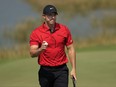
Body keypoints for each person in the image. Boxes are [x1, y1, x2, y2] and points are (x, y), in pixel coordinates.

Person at [29, 4, 77, 87]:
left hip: (61, 70)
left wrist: (73, 69)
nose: (52, 17)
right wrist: (41, 49)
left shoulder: (64, 29)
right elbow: (32, 53)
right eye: (49, 15)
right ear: (44, 16)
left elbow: (70, 49)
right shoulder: (36, 32)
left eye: (54, 15)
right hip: (45, 71)